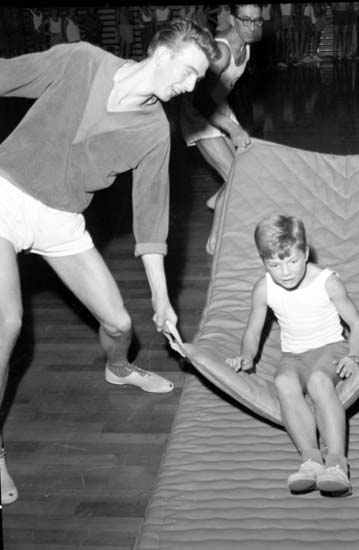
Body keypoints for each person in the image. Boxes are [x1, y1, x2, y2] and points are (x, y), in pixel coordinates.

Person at [0, 19, 219, 505]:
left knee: (119, 325)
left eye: (198, 80)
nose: (190, 87)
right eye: (187, 72)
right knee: (6, 322)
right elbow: (5, 75)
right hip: (5, 194)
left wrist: (162, 301)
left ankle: (118, 369)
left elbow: (151, 221)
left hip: (62, 220)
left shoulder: (154, 132)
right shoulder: (80, 61)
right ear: (162, 53)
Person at [227, 214, 359, 496]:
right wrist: (246, 355)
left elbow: (357, 324)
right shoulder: (264, 288)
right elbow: (253, 330)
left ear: (305, 252)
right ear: (263, 262)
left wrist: (353, 356)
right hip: (293, 355)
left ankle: (337, 465)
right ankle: (311, 461)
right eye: (274, 265)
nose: (285, 272)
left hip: (331, 348)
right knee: (283, 382)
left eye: (292, 261)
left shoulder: (326, 281)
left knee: (318, 381)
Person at [180, 3, 262, 253]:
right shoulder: (222, 51)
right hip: (199, 115)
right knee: (236, 177)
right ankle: (215, 242)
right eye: (245, 20)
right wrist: (232, 129)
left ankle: (217, 200)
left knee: (243, 170)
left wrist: (233, 122)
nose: (252, 27)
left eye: (257, 21)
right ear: (233, 20)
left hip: (219, 109)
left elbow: (221, 90)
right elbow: (200, 101)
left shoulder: (246, 46)